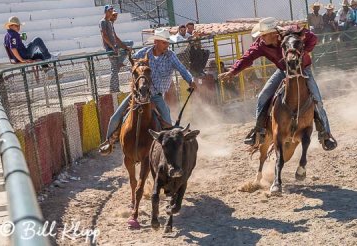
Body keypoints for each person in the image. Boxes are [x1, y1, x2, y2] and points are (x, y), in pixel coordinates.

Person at [218, 17, 337, 151]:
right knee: (262, 97)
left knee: (317, 99)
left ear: (272, 33)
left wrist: (304, 51)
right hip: (283, 71)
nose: (261, 38)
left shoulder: (291, 34)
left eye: (263, 35)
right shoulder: (261, 44)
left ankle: (325, 134)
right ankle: (259, 131)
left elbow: (312, 37)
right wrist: (233, 70)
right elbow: (248, 56)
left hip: (303, 69)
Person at [98, 28, 196, 155]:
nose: (167, 45)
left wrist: (190, 80)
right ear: (156, 42)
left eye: (167, 43)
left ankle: (173, 142)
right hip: (138, 93)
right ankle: (108, 143)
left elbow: (182, 69)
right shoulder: (143, 53)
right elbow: (132, 65)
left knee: (166, 118)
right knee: (115, 116)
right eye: (164, 43)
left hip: (156, 95)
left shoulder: (170, 56)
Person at [99, 5, 132, 93]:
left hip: (114, 47)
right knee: (114, 69)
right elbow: (104, 36)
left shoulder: (109, 23)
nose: (111, 13)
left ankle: (120, 62)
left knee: (129, 43)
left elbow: (115, 37)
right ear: (106, 12)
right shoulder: (103, 22)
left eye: (112, 11)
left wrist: (125, 47)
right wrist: (113, 47)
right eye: (109, 11)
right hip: (110, 48)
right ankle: (114, 89)